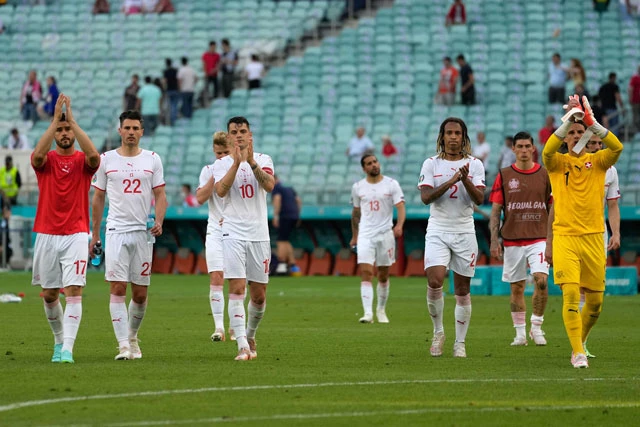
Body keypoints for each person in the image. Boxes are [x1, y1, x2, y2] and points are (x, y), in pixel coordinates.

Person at [542, 94, 623, 368]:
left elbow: (617, 147)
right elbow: (546, 152)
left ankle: (581, 341)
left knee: (596, 304)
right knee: (571, 295)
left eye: (581, 132)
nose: (576, 136)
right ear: (566, 136)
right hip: (566, 237)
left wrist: (592, 122)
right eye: (572, 132)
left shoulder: (599, 162)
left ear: (588, 136)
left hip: (593, 238)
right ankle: (577, 352)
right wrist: (568, 121)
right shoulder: (557, 164)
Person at [90, 110, 168, 361]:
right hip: (116, 231)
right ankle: (123, 345)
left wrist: (159, 220)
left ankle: (133, 337)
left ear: (142, 132)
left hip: (143, 232)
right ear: (119, 131)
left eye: (136, 128)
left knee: (141, 294)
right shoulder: (106, 160)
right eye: (128, 128)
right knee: (117, 287)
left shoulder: (153, 159)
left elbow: (160, 195)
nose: (132, 132)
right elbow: (98, 197)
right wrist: (95, 232)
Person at [30, 95, 101, 363]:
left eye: (67, 129)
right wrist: (54, 122)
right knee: (49, 294)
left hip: (76, 234)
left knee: (73, 290)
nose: (63, 134)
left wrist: (72, 120)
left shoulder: (84, 161)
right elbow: (36, 156)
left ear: (73, 130)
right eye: (59, 130)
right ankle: (59, 342)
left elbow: (95, 156)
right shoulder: (45, 161)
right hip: (47, 234)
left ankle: (68, 349)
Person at [418, 117, 485, 358]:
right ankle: (438, 333)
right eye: (449, 133)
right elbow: (426, 198)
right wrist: (451, 180)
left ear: (463, 136)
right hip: (437, 229)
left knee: (462, 289)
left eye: (458, 133)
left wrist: (465, 178)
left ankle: (460, 343)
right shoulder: (431, 164)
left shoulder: (475, 164)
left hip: (465, 231)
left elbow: (479, 199)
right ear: (442, 136)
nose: (453, 137)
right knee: (435, 280)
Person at [213, 116, 275, 361]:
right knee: (237, 289)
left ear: (250, 135)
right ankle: (242, 345)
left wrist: (251, 163)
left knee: (259, 295)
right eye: (234, 132)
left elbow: (269, 186)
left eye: (242, 131)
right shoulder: (221, 163)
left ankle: (250, 334)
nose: (238, 135)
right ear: (228, 137)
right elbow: (220, 190)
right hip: (233, 232)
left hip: (259, 233)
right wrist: (236, 164)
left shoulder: (264, 159)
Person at [489, 132, 552, 347]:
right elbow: (496, 209)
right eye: (520, 147)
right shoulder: (504, 175)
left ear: (533, 149)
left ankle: (536, 326)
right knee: (516, 287)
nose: (524, 150)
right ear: (513, 149)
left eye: (527, 146)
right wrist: (493, 239)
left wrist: (553, 238)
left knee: (541, 281)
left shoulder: (545, 174)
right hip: (512, 239)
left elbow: (552, 208)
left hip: (539, 237)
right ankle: (520, 334)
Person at [578, 132, 621, 358]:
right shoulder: (572, 164)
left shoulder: (610, 170)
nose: (595, 146)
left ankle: (581, 341)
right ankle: (577, 341)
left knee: (592, 289)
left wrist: (616, 232)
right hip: (571, 233)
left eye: (598, 143)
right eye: (591, 142)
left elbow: (612, 205)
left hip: (598, 235)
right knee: (575, 287)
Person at [350, 154, 405, 324]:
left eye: (375, 162)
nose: (373, 165)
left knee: (383, 275)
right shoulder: (358, 187)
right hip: (366, 234)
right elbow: (356, 212)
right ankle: (368, 313)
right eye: (369, 163)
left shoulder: (391, 184)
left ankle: (381, 309)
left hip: (385, 234)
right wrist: (355, 236)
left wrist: (399, 225)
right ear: (364, 168)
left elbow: (401, 207)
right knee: (366, 272)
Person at [196, 131, 234, 342]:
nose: (221, 157)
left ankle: (235, 326)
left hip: (237, 230)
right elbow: (200, 198)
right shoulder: (208, 170)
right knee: (216, 276)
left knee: (238, 280)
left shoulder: (238, 169)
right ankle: (219, 327)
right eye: (218, 153)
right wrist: (214, 175)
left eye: (225, 152)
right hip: (216, 230)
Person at [271, 175, 302, 275]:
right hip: (294, 215)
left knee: (281, 241)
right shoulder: (290, 188)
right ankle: (293, 264)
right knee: (286, 239)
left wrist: (276, 216)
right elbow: (298, 201)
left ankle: (282, 265)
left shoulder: (277, 188)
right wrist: (298, 214)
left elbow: (277, 199)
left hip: (284, 216)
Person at [163, 59, 180, 126]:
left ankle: (170, 121)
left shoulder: (165, 71)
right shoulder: (175, 70)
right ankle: (174, 120)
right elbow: (178, 80)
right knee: (174, 106)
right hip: (175, 89)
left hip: (169, 90)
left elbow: (164, 81)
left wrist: (164, 89)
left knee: (169, 106)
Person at [629, 65, 640, 134]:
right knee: (635, 116)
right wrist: (631, 98)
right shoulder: (635, 78)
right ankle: (636, 131)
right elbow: (631, 89)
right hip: (636, 100)